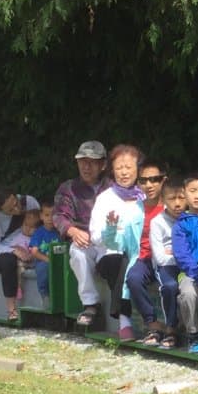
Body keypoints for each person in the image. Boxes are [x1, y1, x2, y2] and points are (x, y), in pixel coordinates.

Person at [88, 144, 145, 342]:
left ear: (138, 169)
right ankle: (124, 320)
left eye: (128, 167)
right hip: (110, 253)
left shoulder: (145, 196)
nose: (123, 172)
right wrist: (113, 233)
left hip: (141, 252)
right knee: (118, 260)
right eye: (119, 167)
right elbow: (95, 235)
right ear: (112, 170)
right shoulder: (105, 198)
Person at [52, 141, 109, 329]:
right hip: (85, 239)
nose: (86, 166)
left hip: (112, 238)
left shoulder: (114, 186)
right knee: (77, 252)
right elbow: (59, 215)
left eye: (92, 162)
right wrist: (72, 230)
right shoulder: (68, 188)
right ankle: (90, 305)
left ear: (103, 164)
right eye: (82, 161)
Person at [125, 161, 167, 345]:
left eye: (154, 179)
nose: (149, 185)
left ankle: (175, 329)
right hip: (143, 258)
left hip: (167, 259)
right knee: (133, 278)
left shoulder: (173, 205)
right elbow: (121, 240)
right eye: (143, 181)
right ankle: (153, 324)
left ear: (163, 180)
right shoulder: (134, 209)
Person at [172, 171, 198, 354]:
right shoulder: (180, 224)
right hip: (190, 272)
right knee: (188, 293)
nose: (197, 195)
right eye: (193, 191)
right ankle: (193, 335)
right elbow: (182, 255)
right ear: (184, 193)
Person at [148, 175, 186, 348]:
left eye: (181, 198)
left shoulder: (189, 219)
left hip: (185, 265)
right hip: (166, 267)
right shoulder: (157, 223)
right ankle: (171, 328)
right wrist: (181, 256)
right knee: (170, 287)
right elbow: (160, 257)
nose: (177, 203)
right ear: (163, 200)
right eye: (172, 198)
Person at [0, 187, 30, 322]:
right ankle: (11, 308)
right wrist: (13, 250)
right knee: (8, 262)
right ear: (0, 209)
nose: (16, 209)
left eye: (15, 203)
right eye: (10, 210)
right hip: (4, 249)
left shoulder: (28, 202)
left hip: (28, 242)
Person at [27, 201, 59, 303]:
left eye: (53, 215)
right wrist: (48, 260)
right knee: (44, 268)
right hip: (42, 261)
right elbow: (34, 252)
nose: (50, 218)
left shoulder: (59, 232)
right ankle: (44, 293)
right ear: (41, 216)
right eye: (47, 215)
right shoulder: (39, 232)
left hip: (57, 260)